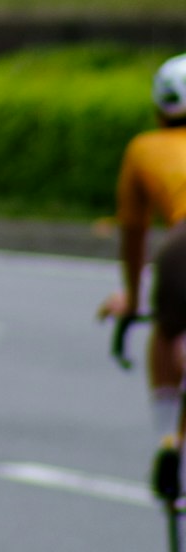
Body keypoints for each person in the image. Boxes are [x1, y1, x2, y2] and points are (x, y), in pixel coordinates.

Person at [110, 58, 186, 510]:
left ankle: (168, 440)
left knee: (168, 328)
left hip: (181, 247)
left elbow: (133, 233)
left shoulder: (144, 148)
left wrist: (134, 300)